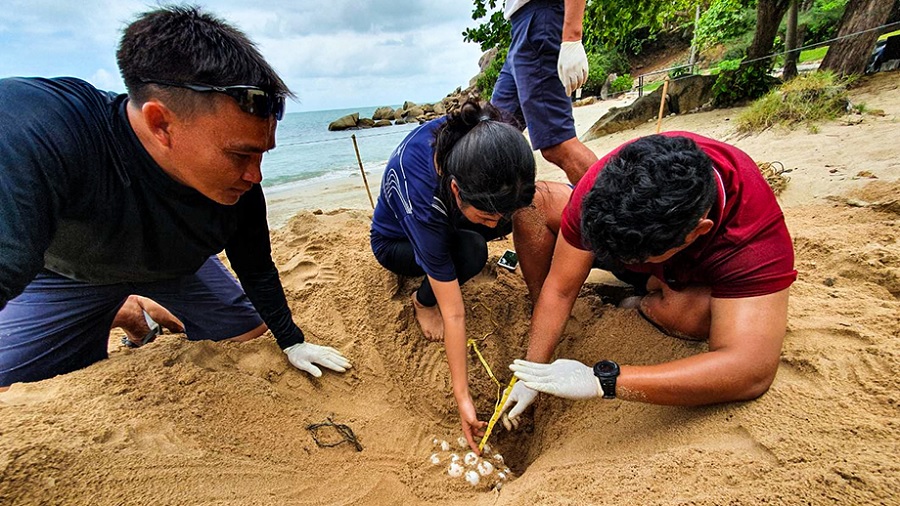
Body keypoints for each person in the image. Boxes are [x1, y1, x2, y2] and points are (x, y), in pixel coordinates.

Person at [0, 6, 351, 391]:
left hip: (175, 265)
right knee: (12, 378)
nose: (255, 175)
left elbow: (255, 266)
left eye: (262, 154)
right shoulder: (45, 129)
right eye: (239, 155)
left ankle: (150, 304)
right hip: (71, 273)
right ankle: (125, 310)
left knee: (246, 332)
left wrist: (292, 340)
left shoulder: (241, 184)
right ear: (160, 124)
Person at [499, 132, 797, 425]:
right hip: (646, 247)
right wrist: (533, 370)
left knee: (694, 316)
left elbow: (750, 371)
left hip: (690, 278)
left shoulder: (753, 234)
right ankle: (648, 281)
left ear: (698, 232)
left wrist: (603, 380)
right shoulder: (607, 186)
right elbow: (561, 289)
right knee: (535, 204)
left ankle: (645, 300)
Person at [370, 100, 568, 453]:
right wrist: (463, 397)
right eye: (489, 216)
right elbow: (456, 313)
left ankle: (478, 231)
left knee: (504, 217)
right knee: (472, 251)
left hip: (454, 209)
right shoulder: (423, 199)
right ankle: (421, 300)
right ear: (458, 190)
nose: (498, 228)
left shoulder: (485, 136)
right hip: (396, 243)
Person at [491, 0, 598, 184]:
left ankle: (621, 209)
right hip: (521, 27)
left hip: (540, 19)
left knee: (558, 143)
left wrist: (572, 36)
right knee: (494, 138)